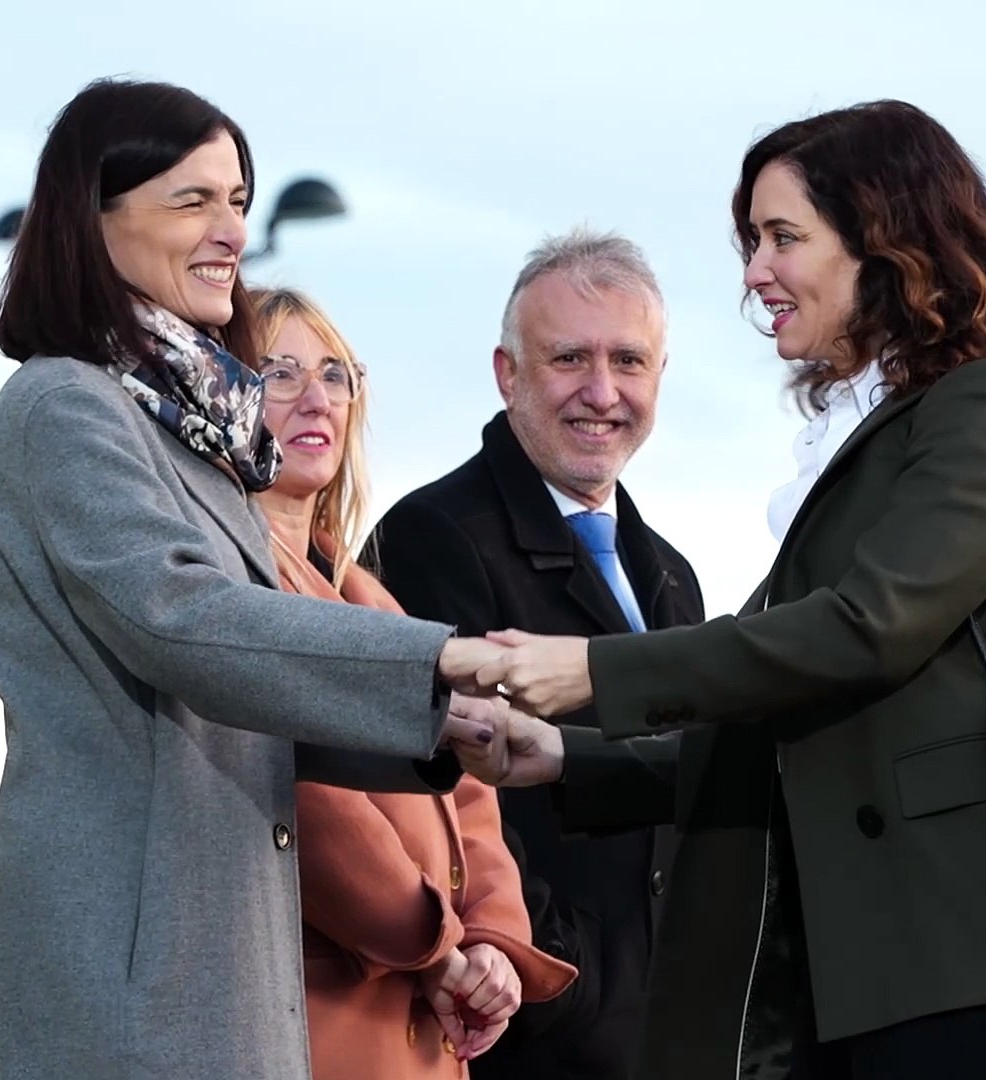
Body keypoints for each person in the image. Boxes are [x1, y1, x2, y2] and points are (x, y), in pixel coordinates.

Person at [453, 101, 986, 1080]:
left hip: (969, 951)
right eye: (750, 241)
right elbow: (771, 715)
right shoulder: (856, 442)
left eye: (781, 238)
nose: (754, 271)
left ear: (879, 239)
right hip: (871, 966)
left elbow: (864, 632)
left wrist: (591, 670)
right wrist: (563, 758)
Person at [0, 78, 501, 1080]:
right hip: (138, 970)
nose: (232, 234)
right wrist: (448, 665)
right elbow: (188, 622)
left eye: (240, 202)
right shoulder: (62, 407)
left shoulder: (203, 440)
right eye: (194, 201)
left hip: (221, 956)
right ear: (92, 221)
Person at [370, 228, 706, 1080]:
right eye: (570, 359)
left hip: (676, 1032)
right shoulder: (432, 536)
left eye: (629, 361)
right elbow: (440, 796)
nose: (602, 392)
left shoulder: (672, 574)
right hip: (530, 1030)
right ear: (507, 373)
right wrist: (560, 976)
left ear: (660, 377)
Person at [246, 286, 576, 1078]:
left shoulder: (372, 595)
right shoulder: (237, 588)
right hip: (324, 1013)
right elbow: (310, 802)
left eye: (335, 374)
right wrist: (439, 947)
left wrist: (495, 937)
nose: (315, 397)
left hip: (430, 1021)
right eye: (280, 374)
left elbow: (469, 784)